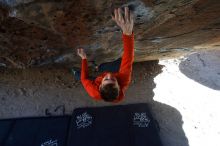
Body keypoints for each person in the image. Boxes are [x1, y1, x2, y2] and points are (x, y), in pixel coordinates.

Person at [76, 7, 134, 103]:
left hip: (96, 81)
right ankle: (100, 67)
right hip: (111, 80)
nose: (109, 75)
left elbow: (84, 79)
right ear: (119, 86)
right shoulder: (124, 80)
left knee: (80, 76)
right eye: (113, 80)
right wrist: (127, 34)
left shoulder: (94, 92)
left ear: (99, 86)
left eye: (106, 79)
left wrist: (84, 59)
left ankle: (75, 71)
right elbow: (128, 58)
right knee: (117, 63)